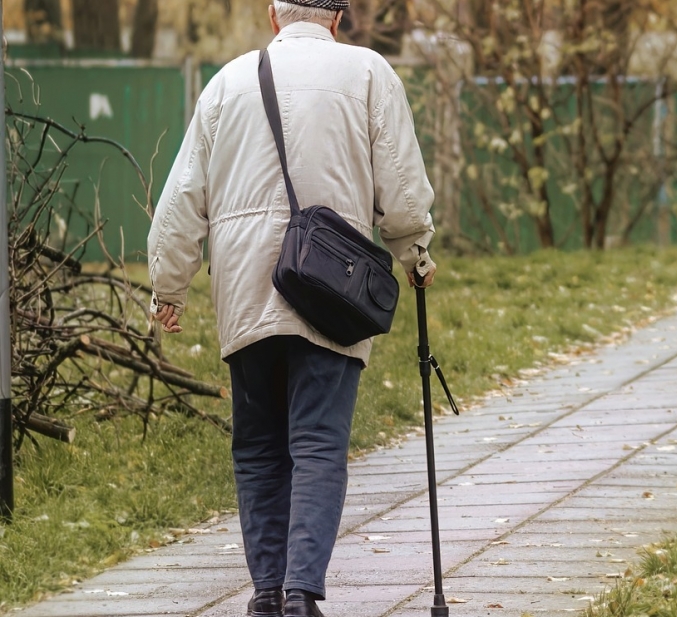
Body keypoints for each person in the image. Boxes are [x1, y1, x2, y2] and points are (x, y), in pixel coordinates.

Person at [146, 1, 437, 615]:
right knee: (319, 445)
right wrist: (414, 255)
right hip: (330, 290)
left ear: (273, 17)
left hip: (246, 291)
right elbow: (403, 189)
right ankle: (302, 593)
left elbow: (182, 201)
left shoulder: (226, 83)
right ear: (340, 17)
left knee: (256, 449)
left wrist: (169, 287)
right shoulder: (368, 74)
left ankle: (264, 597)